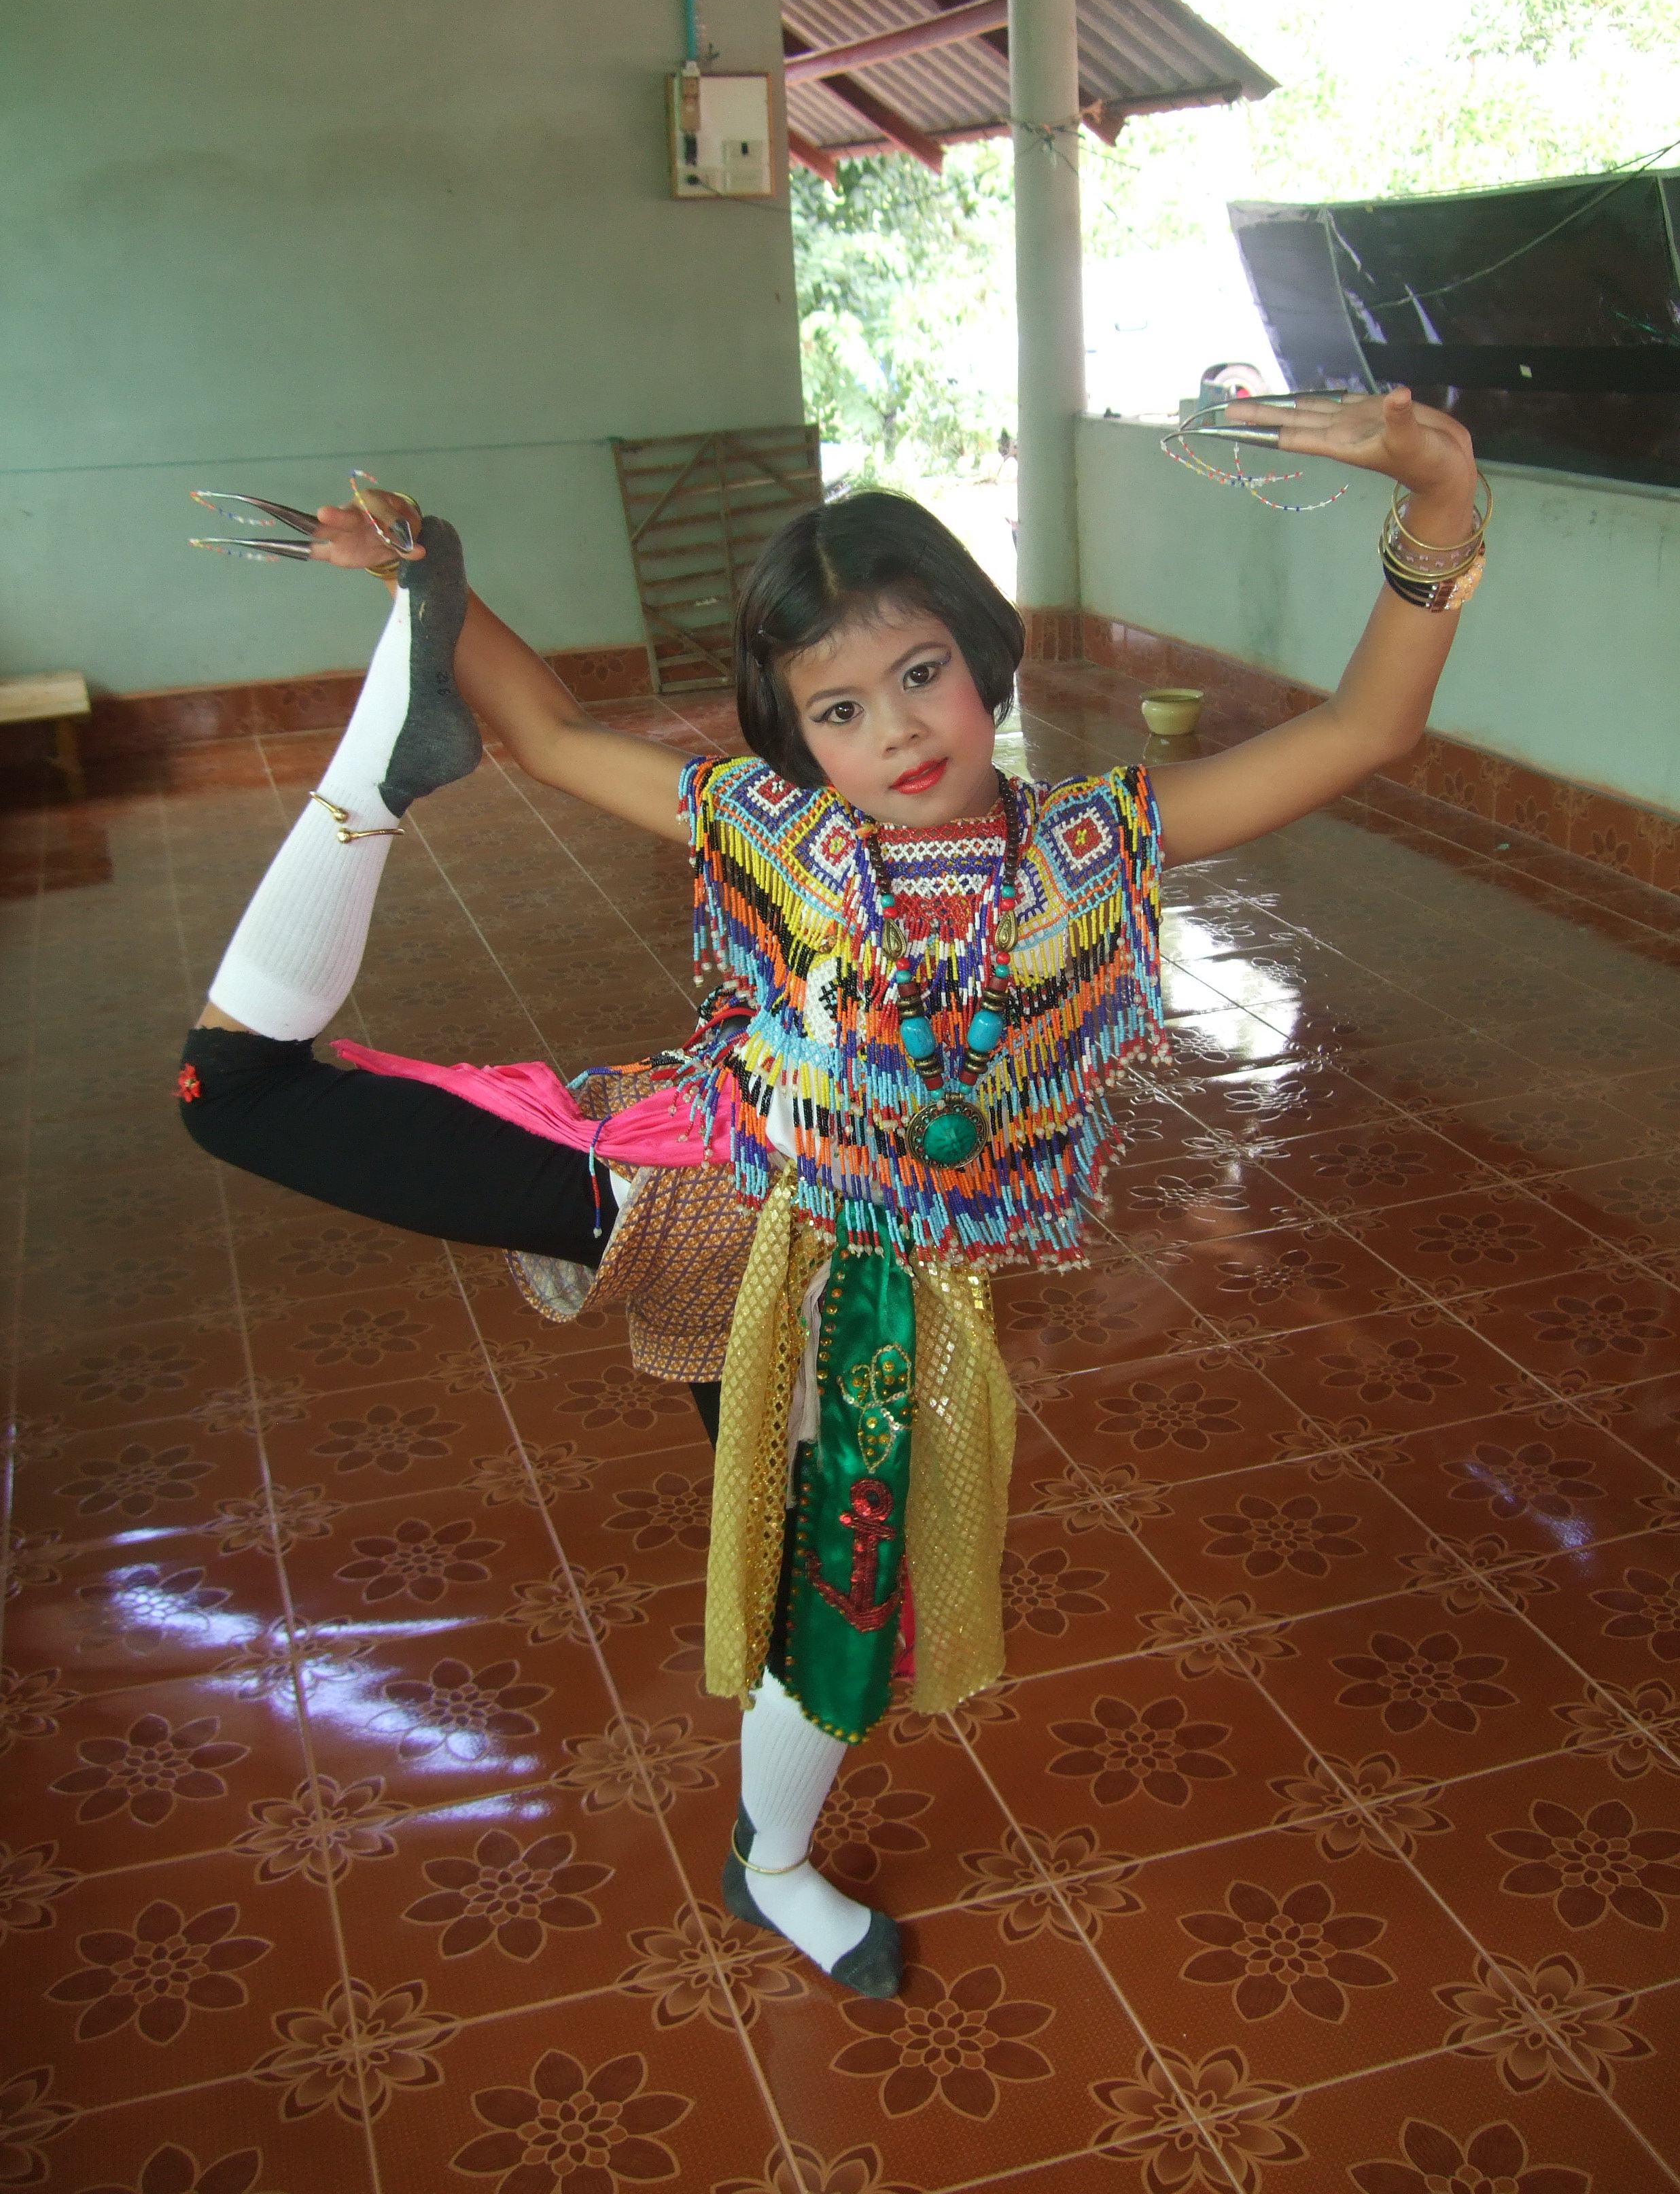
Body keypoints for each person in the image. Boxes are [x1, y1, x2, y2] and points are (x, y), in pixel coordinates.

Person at [179, 387, 1483, 1999]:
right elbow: (553, 737)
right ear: (797, 739)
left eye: (922, 672)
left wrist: (1438, 501)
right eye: (843, 708)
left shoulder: (1099, 844)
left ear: (983, 655)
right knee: (233, 1092)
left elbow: (1365, 730)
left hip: (857, 1301)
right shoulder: (776, 830)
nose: (900, 731)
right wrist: (425, 582)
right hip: (683, 1190)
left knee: (839, 1603)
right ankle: (373, 779)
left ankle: (772, 1862)